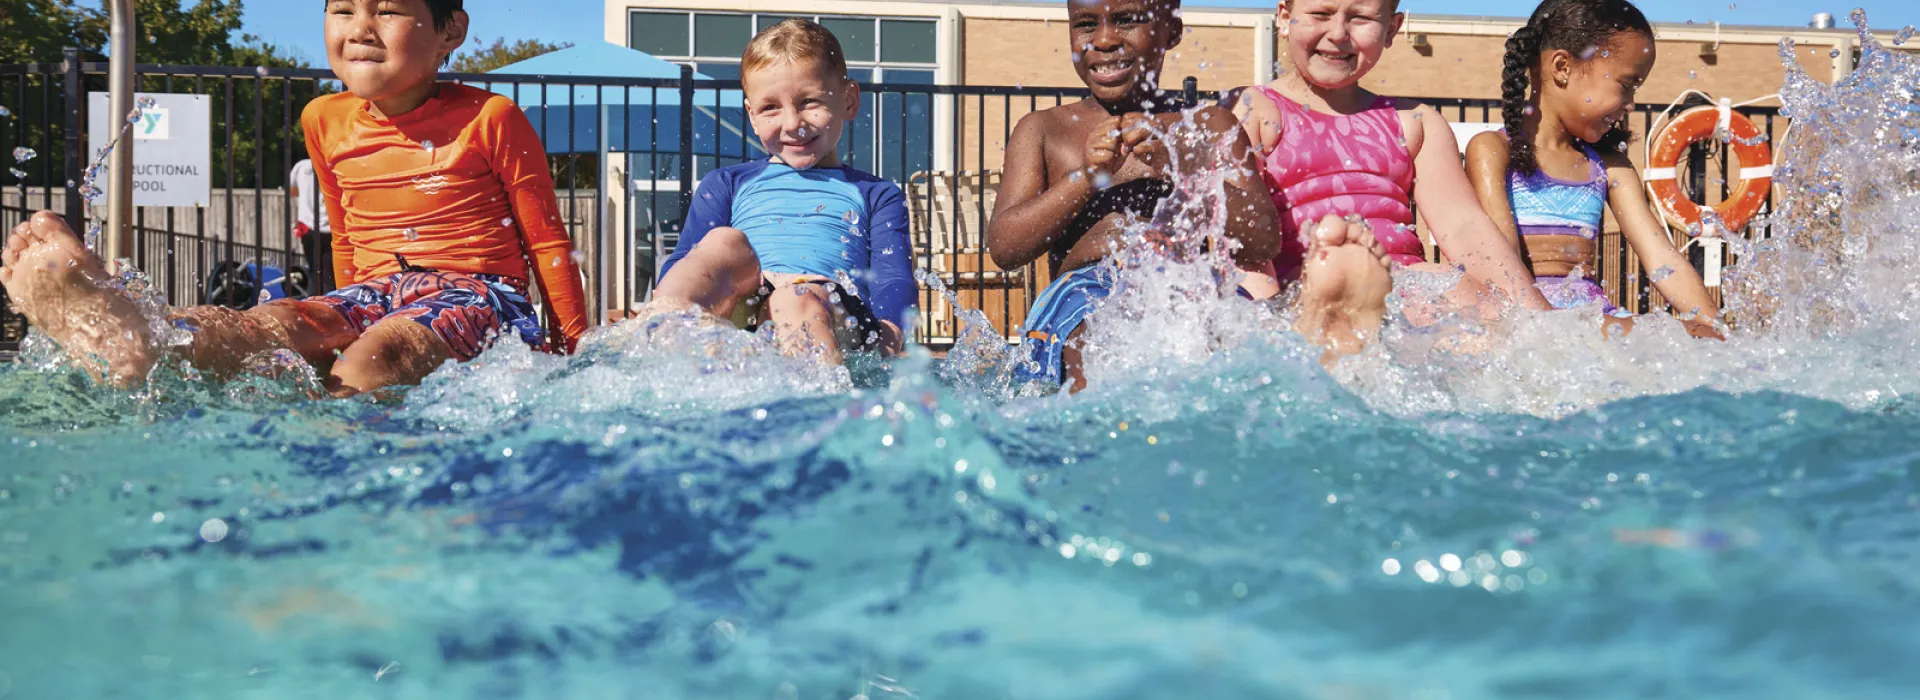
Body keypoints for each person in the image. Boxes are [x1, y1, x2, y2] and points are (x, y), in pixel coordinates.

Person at [0, 0, 589, 394]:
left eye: (386, 10)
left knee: (373, 357)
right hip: (374, 288)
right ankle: (142, 338)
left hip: (479, 291)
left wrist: (571, 353)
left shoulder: (491, 117)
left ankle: (335, 455)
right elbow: (349, 235)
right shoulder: (323, 118)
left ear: (449, 32)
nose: (360, 27)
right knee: (271, 324)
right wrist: (330, 318)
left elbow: (546, 242)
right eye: (341, 9)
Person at [989, 0, 1310, 393]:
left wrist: (1178, 163)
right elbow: (1005, 247)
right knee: (1092, 339)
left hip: (1190, 279)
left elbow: (1262, 240)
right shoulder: (1043, 129)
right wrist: (1085, 179)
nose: (1104, 39)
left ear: (1171, 30)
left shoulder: (1208, 126)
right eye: (1086, 24)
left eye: (1126, 20)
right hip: (1085, 292)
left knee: (1233, 342)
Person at [1229, 0, 1565, 344]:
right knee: (1329, 283)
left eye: (1360, 18)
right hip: (1307, 287)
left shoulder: (1415, 123)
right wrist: (1260, 325)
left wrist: (1536, 319)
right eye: (1321, 14)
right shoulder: (1258, 111)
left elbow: (1466, 226)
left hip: (1403, 287)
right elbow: (1243, 240)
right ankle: (1348, 289)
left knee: (1466, 295)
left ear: (1391, 29)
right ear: (1285, 18)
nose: (1338, 34)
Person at [640, 19, 915, 367]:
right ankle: (662, 331)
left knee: (794, 298)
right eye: (771, 107)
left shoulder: (876, 194)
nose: (792, 123)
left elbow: (893, 277)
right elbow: (685, 261)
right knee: (724, 241)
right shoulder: (726, 183)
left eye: (809, 101)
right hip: (747, 305)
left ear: (848, 100)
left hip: (826, 310)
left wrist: (889, 338)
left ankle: (817, 405)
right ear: (751, 115)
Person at [1465, 0, 1720, 332]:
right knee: (1656, 334)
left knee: (1688, 336)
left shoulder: (1610, 166)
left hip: (1592, 323)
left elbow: (1663, 258)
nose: (1630, 104)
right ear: (1563, 67)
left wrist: (1711, 326)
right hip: (1527, 322)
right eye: (1626, 85)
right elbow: (1504, 271)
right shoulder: (1493, 151)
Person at [289, 158, 333, 292]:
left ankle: (313, 304)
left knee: (315, 273)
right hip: (330, 228)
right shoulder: (332, 165)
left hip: (307, 227)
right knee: (329, 276)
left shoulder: (300, 166)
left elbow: (293, 192)